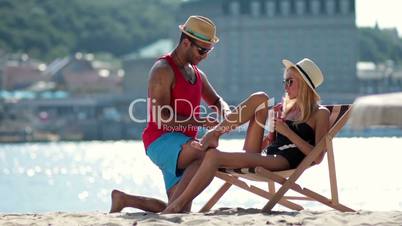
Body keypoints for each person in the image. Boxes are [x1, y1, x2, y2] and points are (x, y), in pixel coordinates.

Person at [162, 58, 330, 213]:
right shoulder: (285, 109)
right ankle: (216, 132)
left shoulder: (320, 113)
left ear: (305, 85)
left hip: (284, 160)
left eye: (290, 81)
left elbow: (318, 156)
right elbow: (271, 143)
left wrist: (287, 132)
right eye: (284, 81)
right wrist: (272, 134)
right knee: (260, 98)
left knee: (213, 156)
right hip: (269, 155)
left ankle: (177, 204)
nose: (285, 86)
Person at [109, 15, 230, 213]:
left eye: (209, 51)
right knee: (205, 155)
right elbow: (161, 117)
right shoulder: (163, 70)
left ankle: (124, 199)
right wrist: (199, 121)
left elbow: (217, 101)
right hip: (161, 141)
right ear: (185, 43)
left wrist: (227, 114)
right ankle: (172, 208)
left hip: (183, 145)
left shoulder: (198, 74)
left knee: (179, 207)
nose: (204, 55)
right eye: (202, 50)